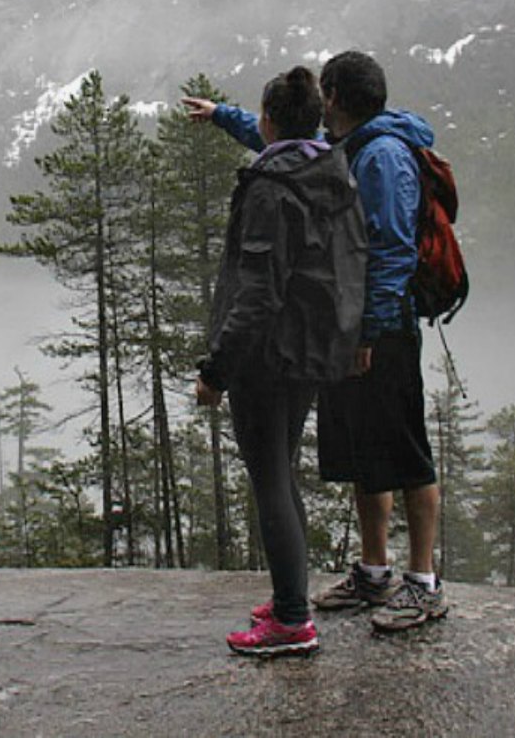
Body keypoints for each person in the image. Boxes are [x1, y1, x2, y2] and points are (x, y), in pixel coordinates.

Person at [185, 50, 448, 633]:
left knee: (404, 451)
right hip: (346, 329)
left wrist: (369, 331)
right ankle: (374, 571)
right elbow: (282, 141)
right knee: (365, 454)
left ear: (334, 97)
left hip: (381, 328)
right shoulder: (337, 152)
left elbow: (390, 252)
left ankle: (422, 582)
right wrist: (223, 115)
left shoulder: (380, 157)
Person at [195, 65, 366, 657]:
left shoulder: (272, 187)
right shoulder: (330, 169)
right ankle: (290, 593)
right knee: (282, 468)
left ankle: (292, 619)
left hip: (267, 355)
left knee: (269, 477)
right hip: (310, 348)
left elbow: (258, 291)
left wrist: (217, 370)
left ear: (268, 119)